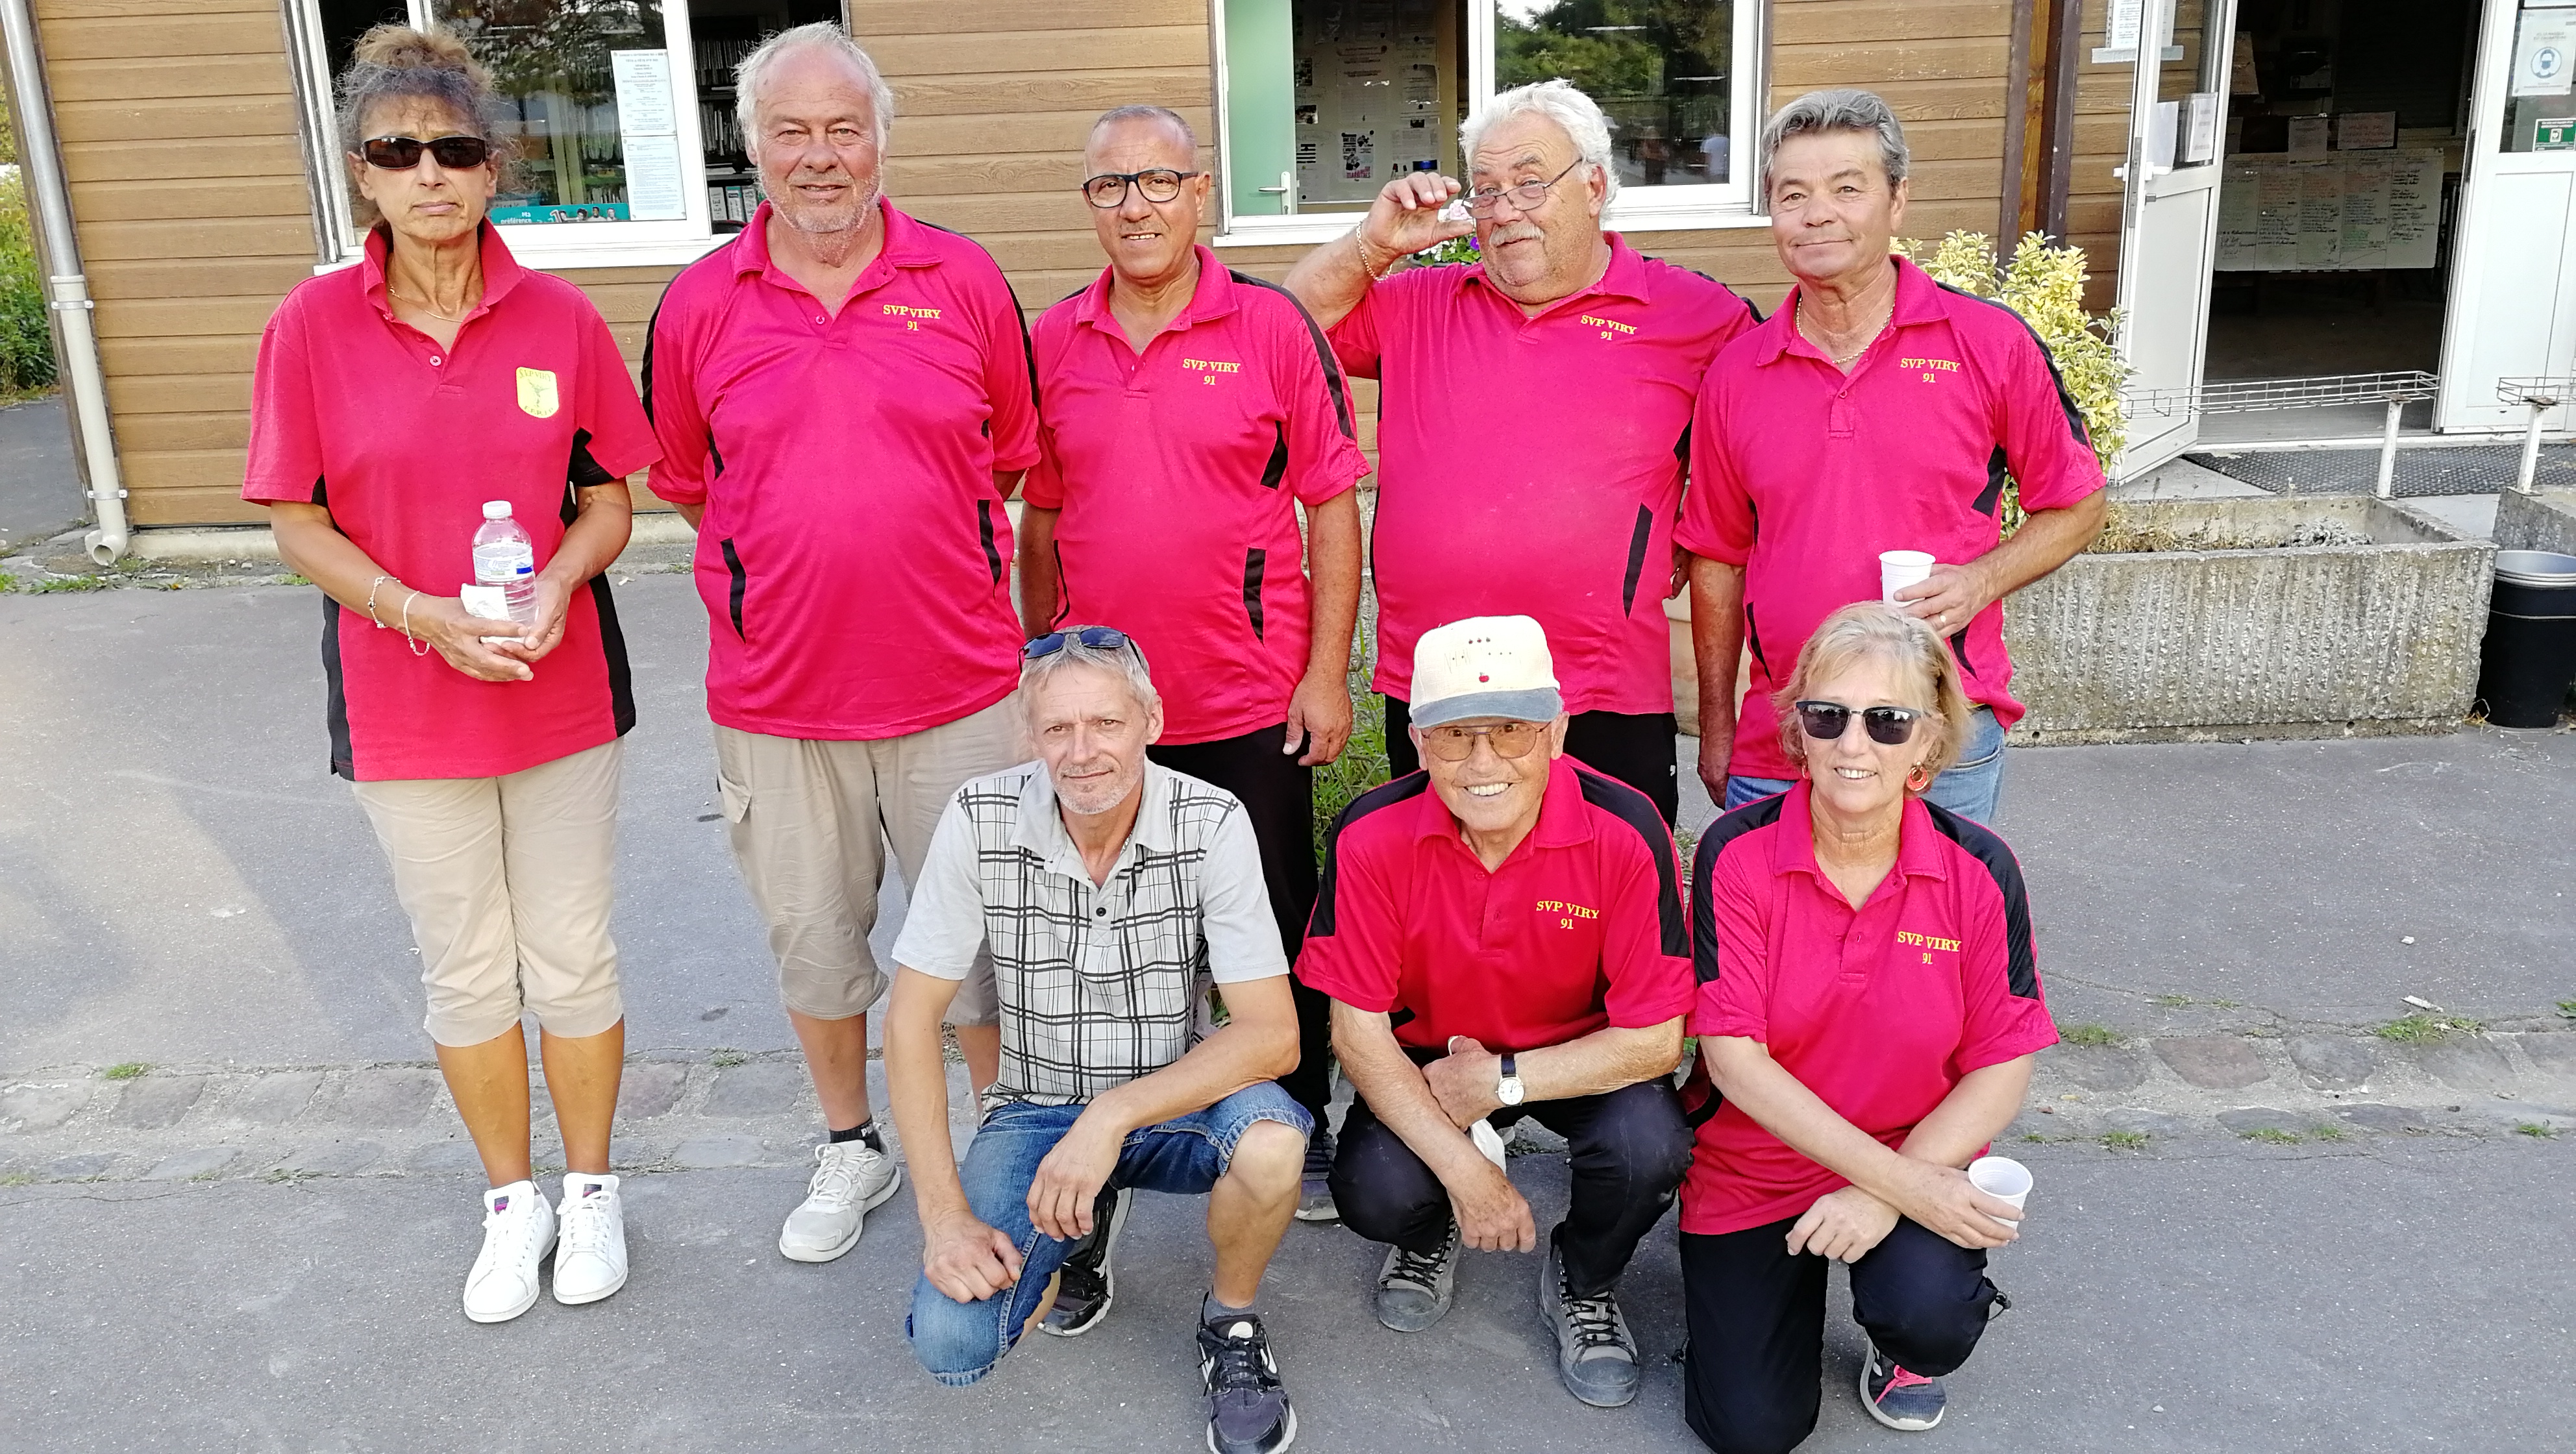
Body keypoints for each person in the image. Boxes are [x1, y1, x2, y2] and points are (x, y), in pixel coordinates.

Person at [243, 25, 658, 1322]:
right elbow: (295, 521)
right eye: (398, 151)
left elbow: (610, 499)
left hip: (559, 695)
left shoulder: (559, 319)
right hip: (403, 706)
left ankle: (592, 1189)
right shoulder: (311, 326)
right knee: (468, 969)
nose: (430, 173)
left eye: (456, 149)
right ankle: (510, 1203)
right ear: (363, 172)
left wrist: (562, 579)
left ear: (493, 169)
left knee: (573, 958)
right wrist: (417, 611)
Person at [643, 23, 1038, 1265]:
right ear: (752, 147)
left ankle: (1001, 1140)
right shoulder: (698, 304)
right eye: (791, 132)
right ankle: (852, 1143)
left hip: (958, 688)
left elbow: (1010, 457)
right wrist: (794, 565)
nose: (820, 156)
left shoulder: (963, 280)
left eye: (843, 129)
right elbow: (690, 481)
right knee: (815, 944)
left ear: (880, 141)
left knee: (981, 945)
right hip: (778, 699)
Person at [1017, 104, 1369, 1259]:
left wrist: (1324, 674)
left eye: (1158, 181)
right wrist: (1041, 663)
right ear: (1089, 204)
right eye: (1110, 186)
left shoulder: (1270, 326)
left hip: (1244, 698)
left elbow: (1330, 503)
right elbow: (1041, 515)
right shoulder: (1052, 338)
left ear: (1200, 192)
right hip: (1103, 719)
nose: (1136, 207)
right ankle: (1115, 1133)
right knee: (1103, 936)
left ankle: (1299, 1121)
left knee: (1269, 924)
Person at [1282, 79, 1759, 824]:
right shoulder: (1419, 303)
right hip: (1437, 684)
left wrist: (1694, 514)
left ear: (1594, 186)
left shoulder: (1694, 314)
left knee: (1613, 884)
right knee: (1441, 885)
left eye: (1530, 183)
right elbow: (1286, 325)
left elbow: (1771, 425)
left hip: (1603, 689)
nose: (1505, 210)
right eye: (1486, 190)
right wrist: (1373, 246)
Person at [886, 626, 1307, 1454]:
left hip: (1174, 1097)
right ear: (1029, 734)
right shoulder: (978, 815)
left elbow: (1274, 1035)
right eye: (1058, 727)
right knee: (953, 1339)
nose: (1082, 751)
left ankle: (1230, 1319)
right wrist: (944, 1218)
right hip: (1036, 1107)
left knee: (1273, 1143)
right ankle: (1079, 1220)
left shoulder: (1211, 818)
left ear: (1151, 720)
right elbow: (908, 1020)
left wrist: (1108, 1117)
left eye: (1106, 722)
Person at [1681, 602, 2055, 1451]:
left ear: (1929, 742)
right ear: (1797, 731)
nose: (1853, 743)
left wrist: (1886, 1189)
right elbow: (1732, 1060)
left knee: (1931, 1317)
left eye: (1887, 721)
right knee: (1751, 1430)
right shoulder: (1736, 852)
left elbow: (2002, 1063)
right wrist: (1900, 1187)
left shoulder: (1980, 868)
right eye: (1827, 716)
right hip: (1756, 1164)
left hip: (1916, 1148)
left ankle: (1899, 1345)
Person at [1297, 615, 1694, 1411]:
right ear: (1416, 741)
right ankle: (1430, 1229)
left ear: (1557, 731)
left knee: (1649, 1146)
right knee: (1373, 1188)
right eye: (1454, 735)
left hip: (1578, 1054)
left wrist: (1503, 1079)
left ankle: (1583, 1277)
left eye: (1511, 730)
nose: (1483, 762)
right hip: (1430, 1063)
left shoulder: (1626, 827)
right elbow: (1356, 1033)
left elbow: (1656, 1039)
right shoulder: (1369, 834)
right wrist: (1468, 1174)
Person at [1681, 89, 2107, 826]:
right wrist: (1716, 723)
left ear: (1897, 200)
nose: (1817, 214)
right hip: (1781, 739)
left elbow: (2078, 503)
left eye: (1847, 189)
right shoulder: (1736, 372)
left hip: (1935, 736)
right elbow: (1717, 556)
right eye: (1792, 194)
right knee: (1770, 907)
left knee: (1936, 903)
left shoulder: (1989, 344)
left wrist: (1980, 580)